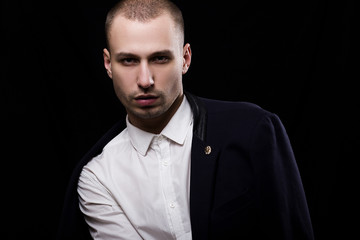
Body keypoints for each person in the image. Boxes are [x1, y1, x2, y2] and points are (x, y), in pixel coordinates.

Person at [57, 0, 314, 239]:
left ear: (185, 58)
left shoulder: (253, 131)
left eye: (159, 58)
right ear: (108, 63)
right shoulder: (98, 177)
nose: (145, 80)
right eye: (129, 60)